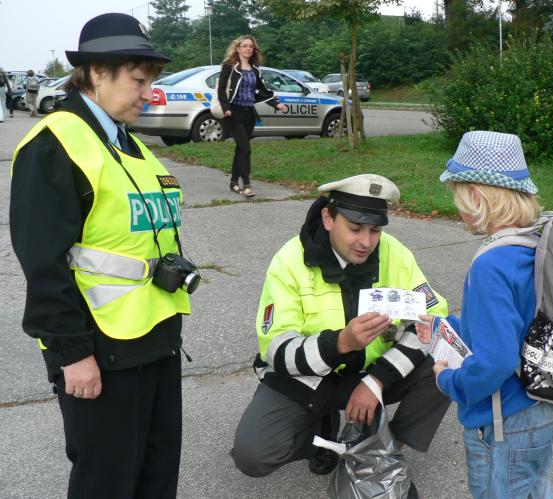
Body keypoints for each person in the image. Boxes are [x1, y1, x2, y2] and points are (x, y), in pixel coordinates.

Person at [9, 13, 195, 499]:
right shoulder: (56, 143)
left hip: (155, 338)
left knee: (156, 474)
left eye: (150, 81)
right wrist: (73, 356)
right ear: (95, 72)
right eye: (138, 80)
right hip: (100, 350)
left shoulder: (124, 141)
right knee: (107, 481)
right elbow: (43, 262)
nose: (148, 92)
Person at [232, 174, 451, 498]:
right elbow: (275, 351)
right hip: (308, 378)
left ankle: (381, 448)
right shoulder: (290, 261)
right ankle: (326, 432)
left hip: (369, 375)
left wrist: (377, 380)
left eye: (375, 230)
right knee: (253, 455)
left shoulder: (395, 253)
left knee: (448, 357)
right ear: (328, 217)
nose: (366, 241)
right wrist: (341, 343)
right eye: (354, 228)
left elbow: (434, 320)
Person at [416, 131, 553, 499]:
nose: (456, 204)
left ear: (477, 195)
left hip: (504, 421)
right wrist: (443, 327)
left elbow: (496, 361)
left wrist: (450, 381)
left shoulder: (491, 264)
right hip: (541, 407)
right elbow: (508, 326)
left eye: (458, 194)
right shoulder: (535, 242)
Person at [216, 35, 288, 198]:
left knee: (241, 148)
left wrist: (277, 104)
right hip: (233, 113)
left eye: (251, 46)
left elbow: (264, 92)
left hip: (249, 114)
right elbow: (221, 89)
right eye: (245, 46)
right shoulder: (229, 67)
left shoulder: (255, 70)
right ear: (238, 48)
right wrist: (226, 108)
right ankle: (247, 184)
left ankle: (234, 182)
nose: (248, 48)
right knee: (245, 148)